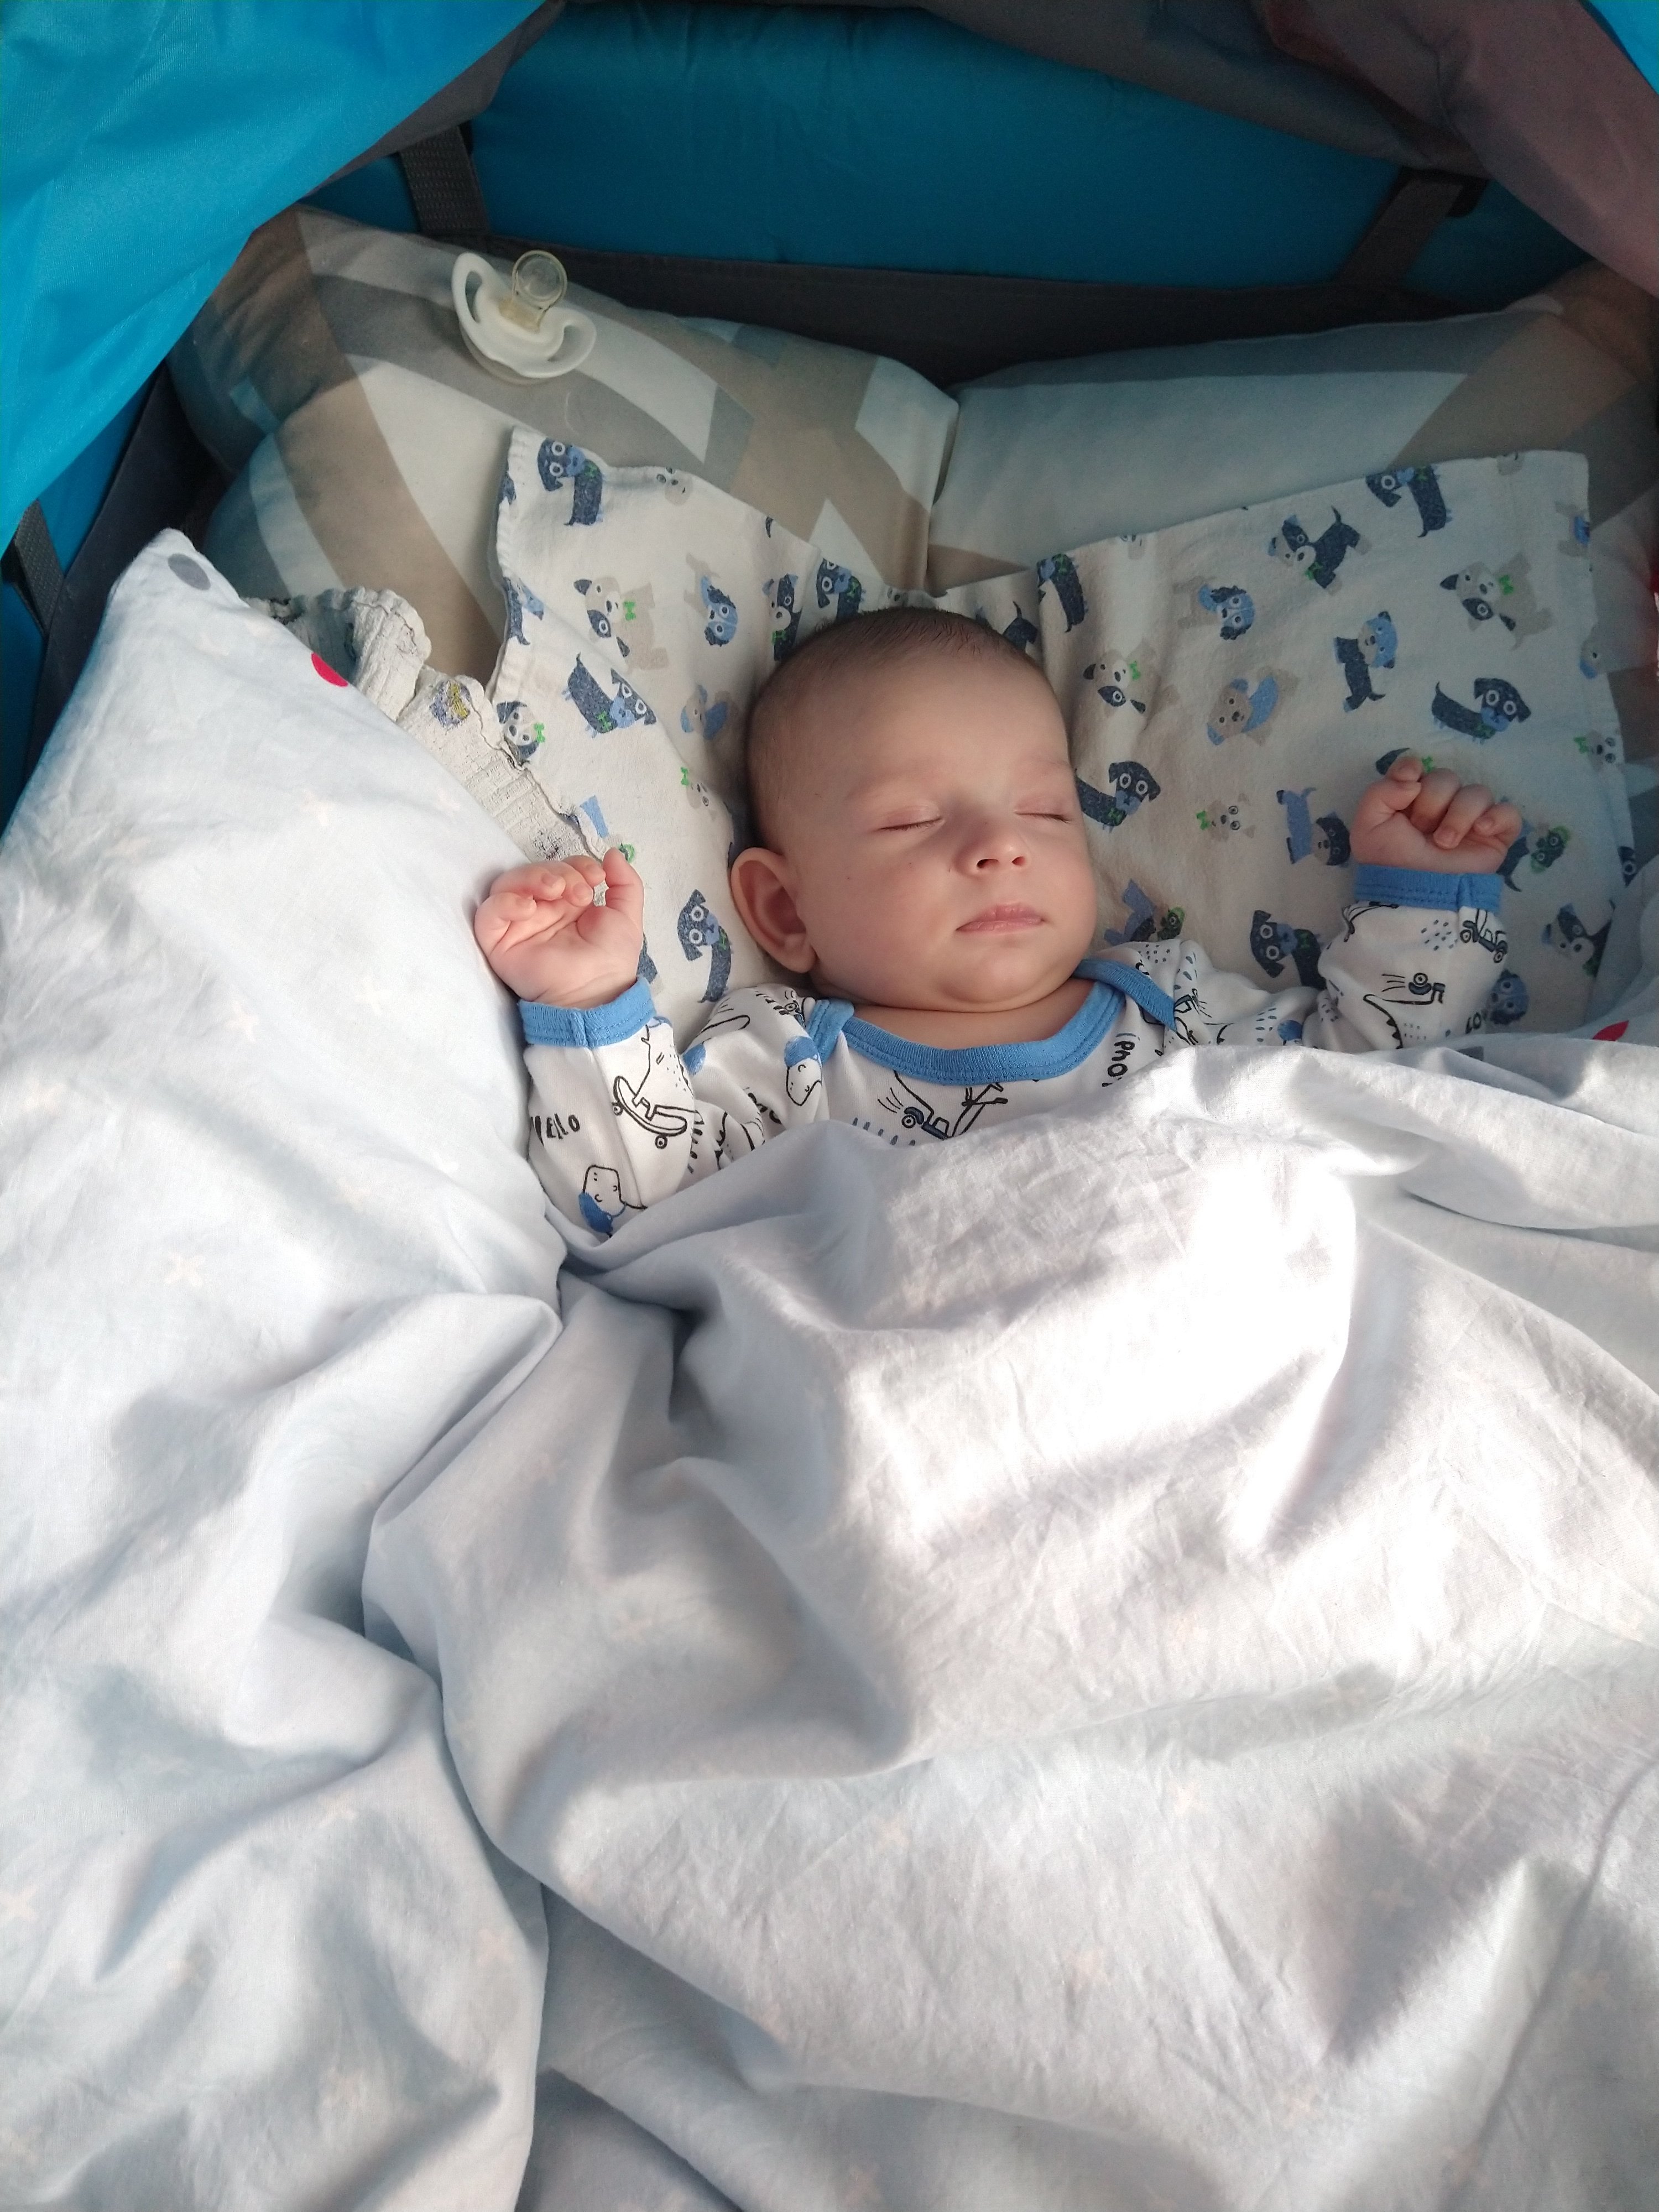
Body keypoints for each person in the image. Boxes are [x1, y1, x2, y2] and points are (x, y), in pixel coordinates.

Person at [473, 608, 1520, 1237]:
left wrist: (1420, 897)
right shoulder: (786, 1063)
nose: (1000, 845)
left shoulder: (1174, 1005)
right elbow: (634, 1198)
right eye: (913, 820)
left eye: (1045, 811)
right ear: (786, 911)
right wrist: (590, 998)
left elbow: (1374, 1081)